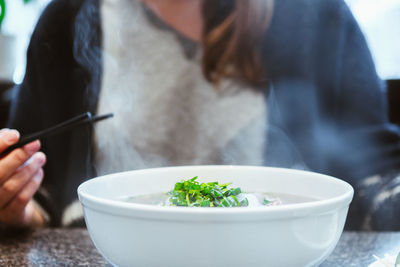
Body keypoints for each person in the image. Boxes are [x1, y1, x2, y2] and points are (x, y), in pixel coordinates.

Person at [1, 0, 400, 229]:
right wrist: (17, 205)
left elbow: (371, 183)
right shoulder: (68, 18)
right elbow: (42, 191)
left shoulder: (316, 14)